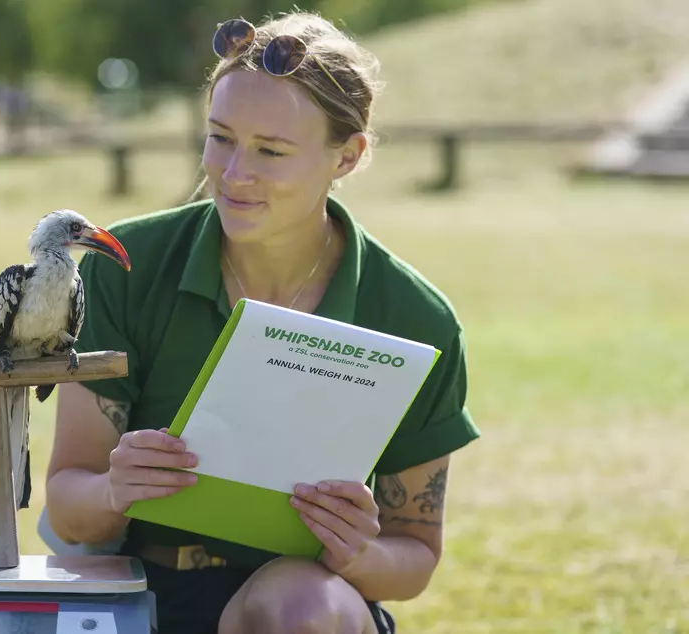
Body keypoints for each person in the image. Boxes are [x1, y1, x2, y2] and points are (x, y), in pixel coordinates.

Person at [44, 10, 480, 634]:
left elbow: (413, 559)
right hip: (139, 589)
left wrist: (358, 549)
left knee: (301, 605)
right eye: (220, 137)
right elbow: (68, 510)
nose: (233, 172)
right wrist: (117, 488)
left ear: (348, 157)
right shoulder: (125, 268)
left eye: (271, 151)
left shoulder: (416, 317)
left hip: (307, 602)